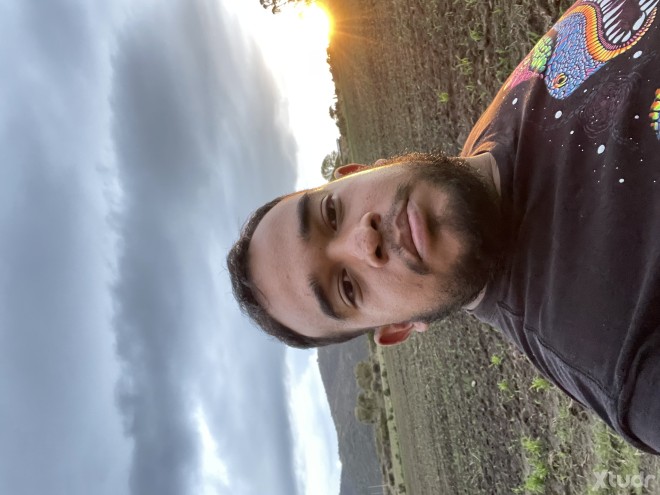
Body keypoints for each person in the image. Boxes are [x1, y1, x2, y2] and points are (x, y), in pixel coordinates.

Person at [227, 0, 660, 454]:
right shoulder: (626, 364)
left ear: (358, 170)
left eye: (331, 214)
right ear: (398, 327)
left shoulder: (487, 135)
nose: (364, 240)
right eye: (347, 287)